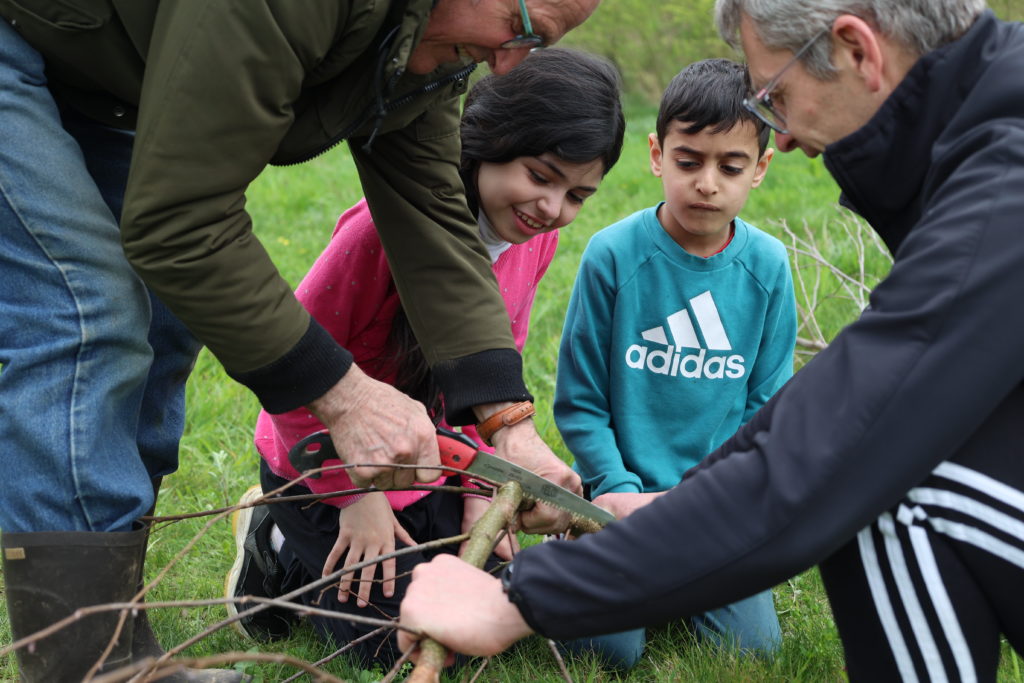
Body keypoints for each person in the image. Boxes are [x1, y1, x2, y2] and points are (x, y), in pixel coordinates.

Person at [398, 1, 1024, 681]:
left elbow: (835, 443)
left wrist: (520, 600)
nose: (778, 137)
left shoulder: (1005, 187)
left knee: (888, 481)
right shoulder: (990, 136)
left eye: (775, 96)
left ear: (856, 50)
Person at [0, 0, 599, 680]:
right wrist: (343, 397)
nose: (510, 62)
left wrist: (509, 429)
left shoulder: (423, 43)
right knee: (90, 316)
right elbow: (181, 223)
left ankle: (112, 629)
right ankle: (85, 667)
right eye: (522, 31)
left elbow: (432, 212)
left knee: (163, 315)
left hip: (101, 74)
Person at [224, 47, 625, 667]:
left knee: (485, 612)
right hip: (323, 462)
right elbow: (294, 374)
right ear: (487, 140)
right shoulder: (375, 235)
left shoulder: (532, 243)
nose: (552, 209)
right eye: (541, 176)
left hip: (431, 459)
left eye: (577, 196)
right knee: (394, 646)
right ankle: (275, 541)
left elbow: (494, 370)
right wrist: (355, 500)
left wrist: (484, 482)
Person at [553, 58, 795, 670]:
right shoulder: (612, 256)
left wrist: (710, 501)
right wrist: (615, 491)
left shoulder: (768, 268)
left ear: (760, 169)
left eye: (730, 166)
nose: (707, 183)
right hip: (613, 505)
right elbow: (581, 402)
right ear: (658, 154)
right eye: (689, 162)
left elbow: (766, 410)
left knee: (753, 653)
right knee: (608, 654)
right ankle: (570, 555)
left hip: (710, 508)